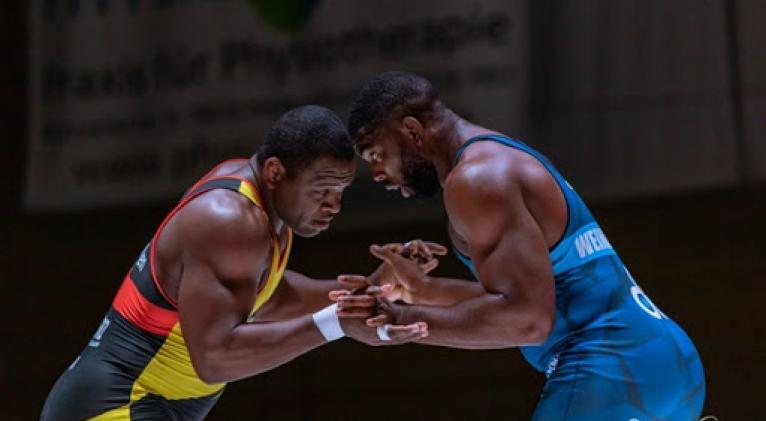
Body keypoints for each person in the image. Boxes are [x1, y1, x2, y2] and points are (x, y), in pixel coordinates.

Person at [335, 71, 706, 420]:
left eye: (376, 156)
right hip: (668, 364)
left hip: (610, 365)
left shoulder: (477, 180)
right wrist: (424, 292)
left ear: (413, 131)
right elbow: (531, 294)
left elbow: (528, 321)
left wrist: (400, 321)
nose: (379, 173)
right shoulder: (495, 156)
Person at [40, 105, 430, 421]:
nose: (334, 204)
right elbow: (214, 357)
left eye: (341, 190)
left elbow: (267, 297)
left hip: (156, 404)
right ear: (276, 172)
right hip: (116, 401)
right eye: (322, 189)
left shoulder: (266, 205)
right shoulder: (228, 220)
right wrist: (335, 324)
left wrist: (367, 289)